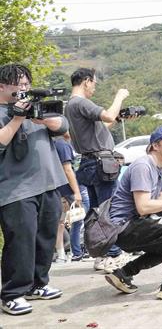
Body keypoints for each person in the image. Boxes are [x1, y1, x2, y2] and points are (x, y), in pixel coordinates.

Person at [0, 64, 69, 316]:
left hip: (48, 183)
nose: (24, 88)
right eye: (19, 84)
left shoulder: (36, 108)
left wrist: (41, 117)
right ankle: (12, 293)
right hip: (15, 190)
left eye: (27, 84)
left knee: (46, 237)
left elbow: (62, 126)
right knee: (21, 242)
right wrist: (17, 118)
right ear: (2, 87)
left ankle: (38, 284)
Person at [105, 126, 162, 299]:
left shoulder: (157, 167)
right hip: (124, 228)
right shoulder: (144, 166)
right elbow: (143, 207)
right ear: (155, 145)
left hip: (133, 226)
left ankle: (123, 273)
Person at [64, 68, 133, 273]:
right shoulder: (81, 102)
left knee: (95, 211)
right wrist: (120, 96)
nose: (94, 87)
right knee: (110, 209)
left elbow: (102, 127)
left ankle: (101, 254)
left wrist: (118, 119)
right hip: (100, 163)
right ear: (86, 81)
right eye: (94, 83)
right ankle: (112, 253)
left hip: (89, 163)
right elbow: (108, 114)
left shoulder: (71, 106)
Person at [53, 134, 83, 264]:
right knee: (81, 217)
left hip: (56, 189)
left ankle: (61, 254)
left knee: (59, 224)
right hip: (67, 190)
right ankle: (78, 250)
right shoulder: (63, 144)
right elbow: (68, 170)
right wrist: (76, 192)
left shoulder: (53, 143)